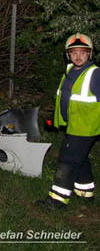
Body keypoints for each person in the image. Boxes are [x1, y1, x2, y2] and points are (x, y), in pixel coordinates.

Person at [39, 33, 100, 210]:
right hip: (73, 126)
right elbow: (66, 98)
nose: (78, 56)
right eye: (74, 52)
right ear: (68, 55)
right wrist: (55, 119)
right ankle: (85, 193)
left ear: (89, 54)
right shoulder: (69, 72)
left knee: (67, 160)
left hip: (85, 127)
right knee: (79, 159)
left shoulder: (94, 74)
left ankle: (57, 201)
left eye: (83, 52)